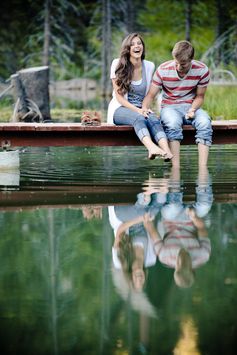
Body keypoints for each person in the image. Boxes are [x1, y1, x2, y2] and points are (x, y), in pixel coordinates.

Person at [142, 40, 213, 167]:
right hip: (170, 107)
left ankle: (203, 169)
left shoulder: (202, 70)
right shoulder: (163, 70)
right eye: (176, 63)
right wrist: (144, 108)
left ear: (191, 59)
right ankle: (176, 168)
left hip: (190, 107)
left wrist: (192, 109)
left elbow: (200, 96)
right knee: (173, 124)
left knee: (205, 122)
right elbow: (151, 95)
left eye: (183, 64)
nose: (179, 67)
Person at [107, 33, 173, 160]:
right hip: (120, 108)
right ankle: (151, 148)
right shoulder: (117, 64)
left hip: (141, 108)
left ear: (142, 47)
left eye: (139, 43)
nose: (136, 46)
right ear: (127, 49)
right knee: (139, 118)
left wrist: (144, 107)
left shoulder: (149, 66)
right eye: (132, 44)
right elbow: (119, 97)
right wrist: (138, 111)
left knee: (154, 120)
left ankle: (166, 151)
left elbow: (149, 94)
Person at [146, 165, 213, 288]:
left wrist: (147, 219)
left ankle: (175, 171)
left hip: (171, 219)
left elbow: (152, 230)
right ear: (193, 269)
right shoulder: (203, 255)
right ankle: (203, 169)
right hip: (191, 217)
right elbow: (202, 228)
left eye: (179, 268)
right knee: (204, 207)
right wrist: (194, 218)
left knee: (173, 207)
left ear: (175, 270)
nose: (181, 263)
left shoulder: (164, 256)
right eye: (185, 266)